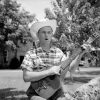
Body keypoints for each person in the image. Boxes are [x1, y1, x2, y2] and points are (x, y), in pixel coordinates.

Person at [21, 19, 89, 100]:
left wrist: (80, 54)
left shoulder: (58, 52)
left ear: (51, 35)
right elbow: (26, 77)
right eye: (43, 32)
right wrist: (49, 72)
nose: (46, 35)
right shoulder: (31, 53)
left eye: (49, 32)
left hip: (57, 92)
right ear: (38, 35)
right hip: (37, 93)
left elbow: (71, 69)